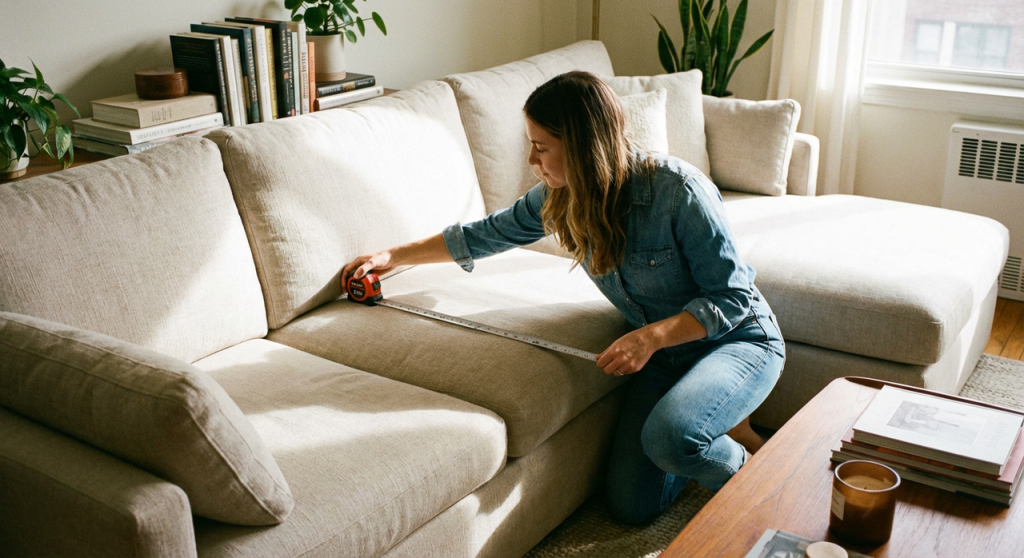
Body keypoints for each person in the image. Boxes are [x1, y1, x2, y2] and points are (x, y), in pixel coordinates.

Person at [341, 71, 785, 524]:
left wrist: (651, 337)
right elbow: (483, 234)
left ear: (583, 146)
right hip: (668, 358)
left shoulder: (679, 191)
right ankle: (710, 427)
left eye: (541, 146)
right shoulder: (559, 197)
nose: (531, 159)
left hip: (737, 341)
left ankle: (759, 479)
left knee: (670, 439)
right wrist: (393, 256)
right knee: (633, 507)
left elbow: (732, 298)